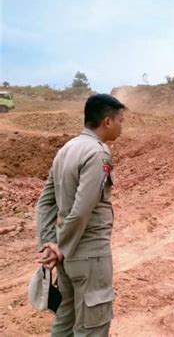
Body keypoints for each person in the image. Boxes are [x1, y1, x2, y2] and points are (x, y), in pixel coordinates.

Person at [36, 94, 126, 336]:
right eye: (120, 120)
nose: (122, 126)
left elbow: (45, 202)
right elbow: (81, 210)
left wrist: (49, 244)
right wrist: (59, 248)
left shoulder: (66, 149)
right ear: (107, 121)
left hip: (67, 256)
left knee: (65, 321)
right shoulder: (98, 154)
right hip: (88, 255)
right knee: (92, 326)